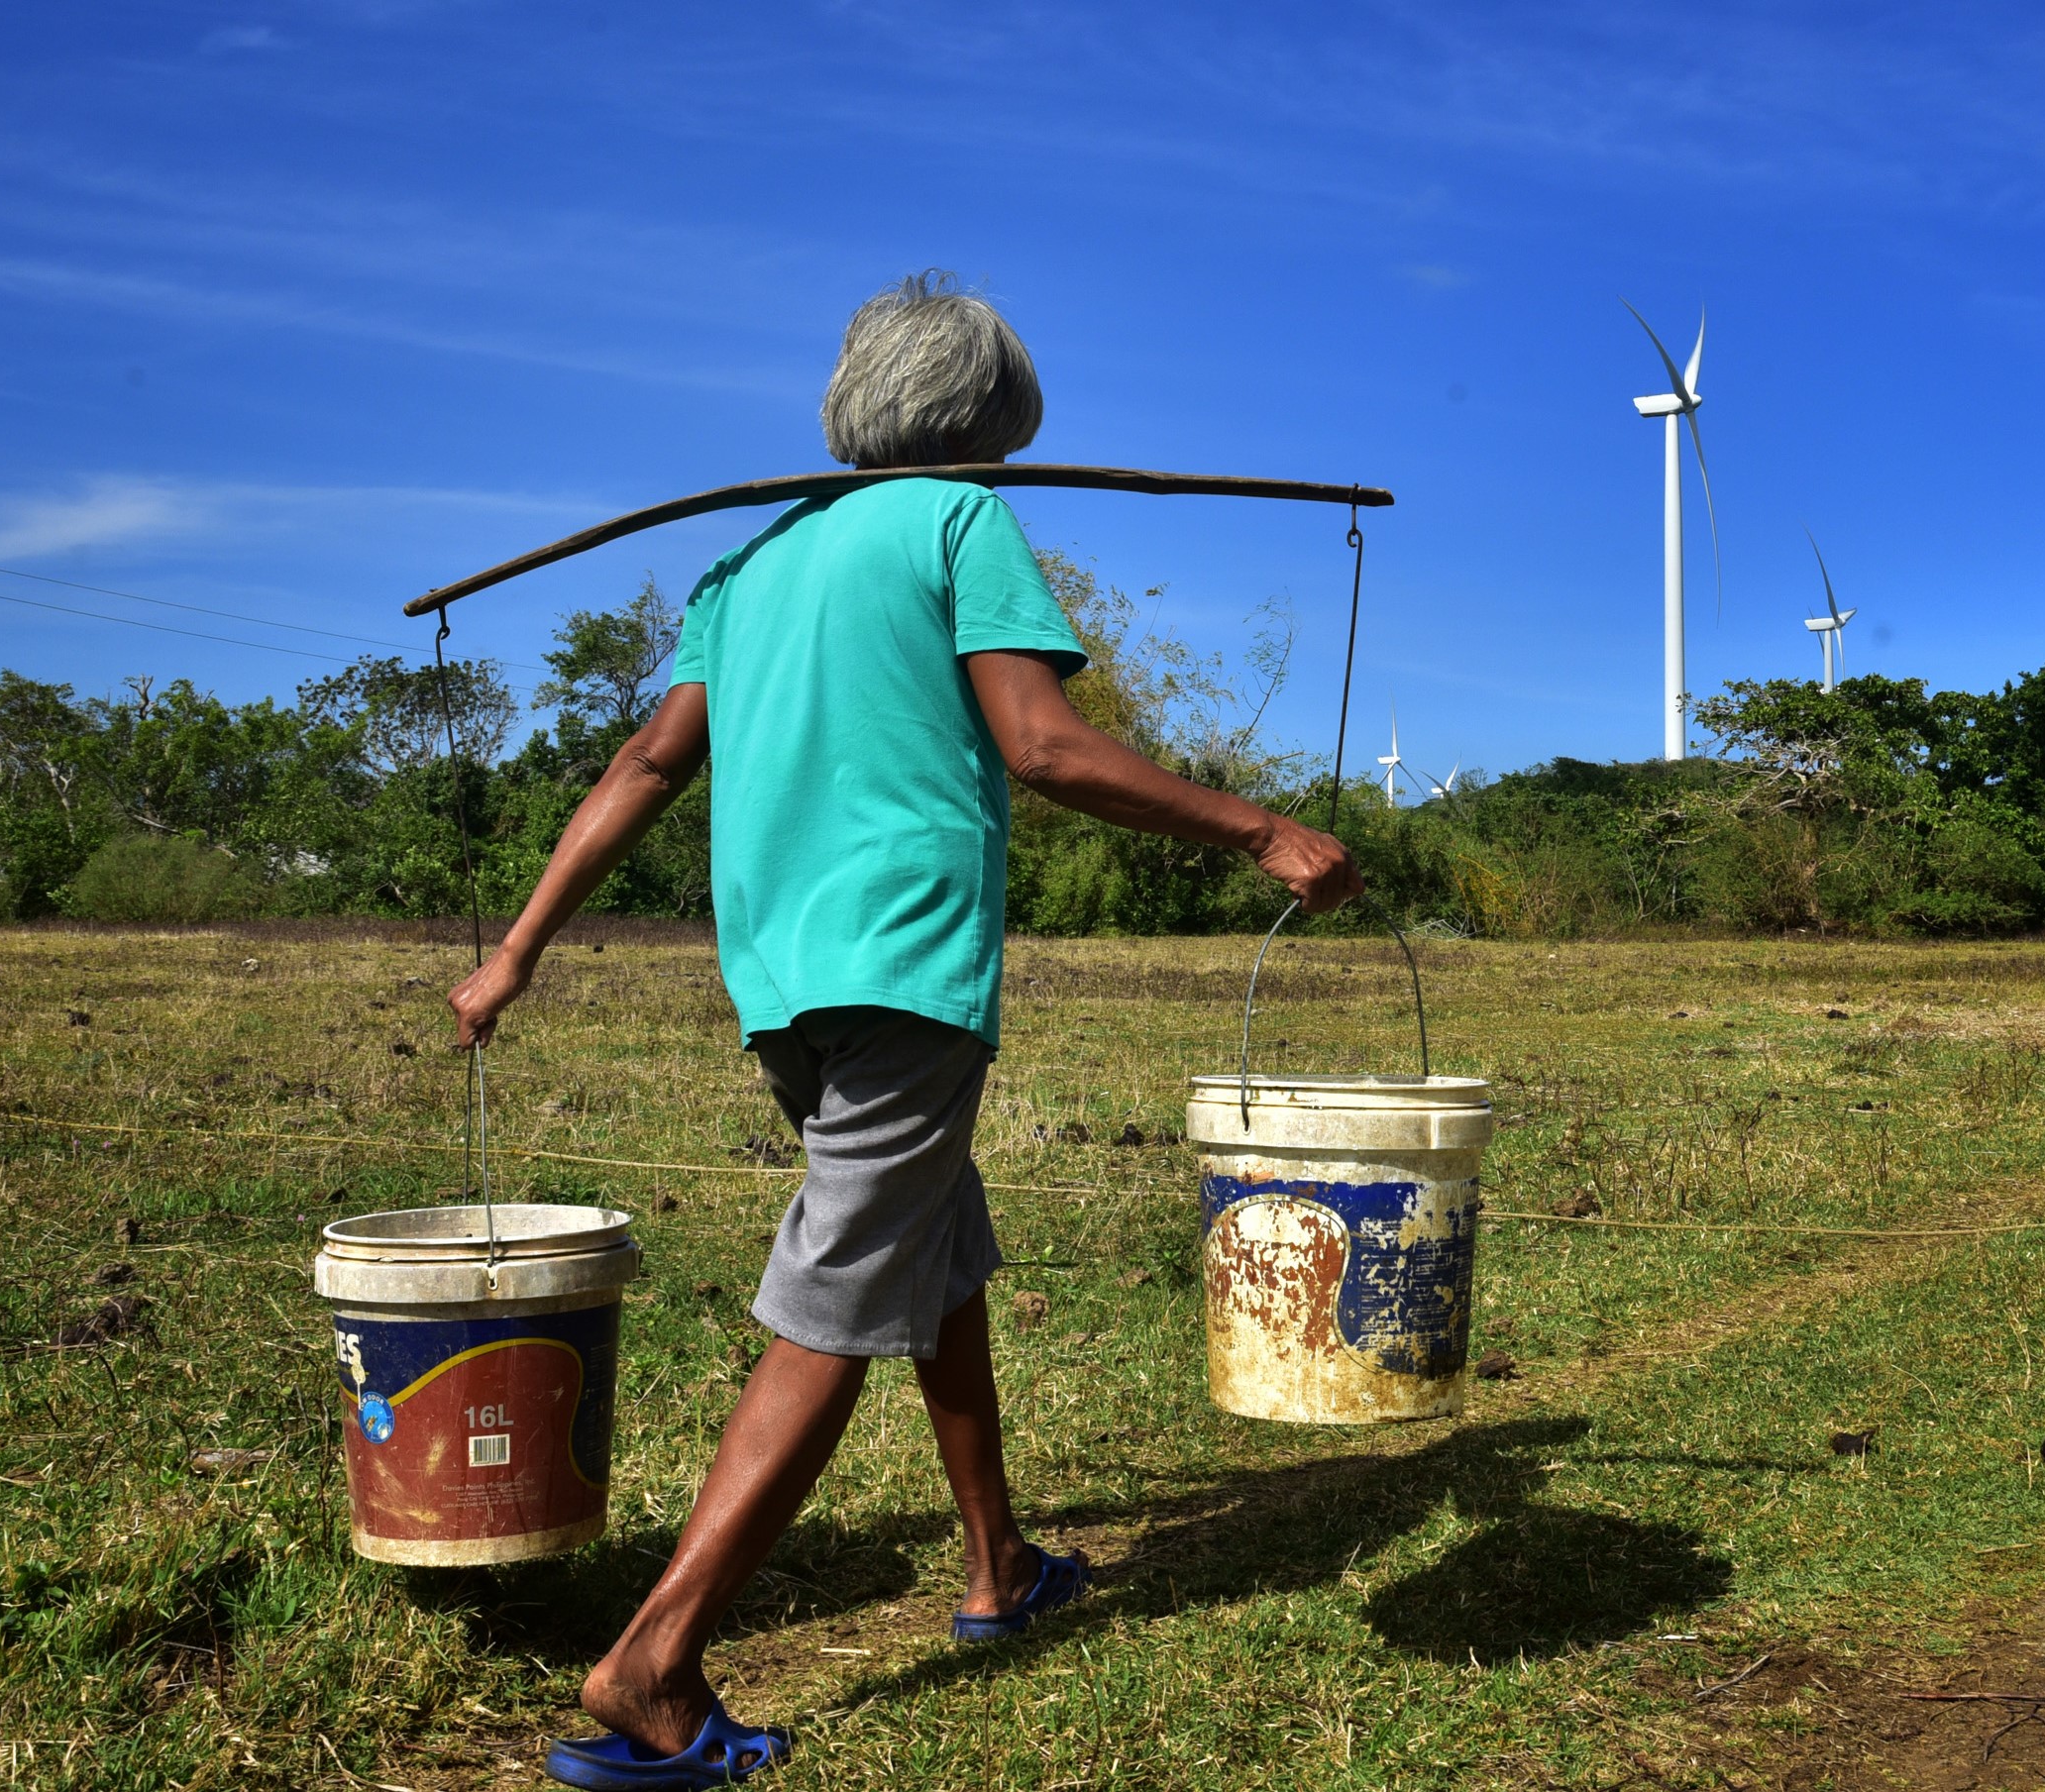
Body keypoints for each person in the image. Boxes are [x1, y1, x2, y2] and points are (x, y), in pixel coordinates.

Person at [449, 270, 1361, 1789]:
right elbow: (1042, 743)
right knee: (836, 1306)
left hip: (789, 990)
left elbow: (644, 761)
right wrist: (1260, 827)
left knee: (937, 1256)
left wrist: (517, 953)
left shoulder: (750, 564)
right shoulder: (960, 525)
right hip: (907, 970)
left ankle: (999, 1561)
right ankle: (651, 1665)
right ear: (985, 423)